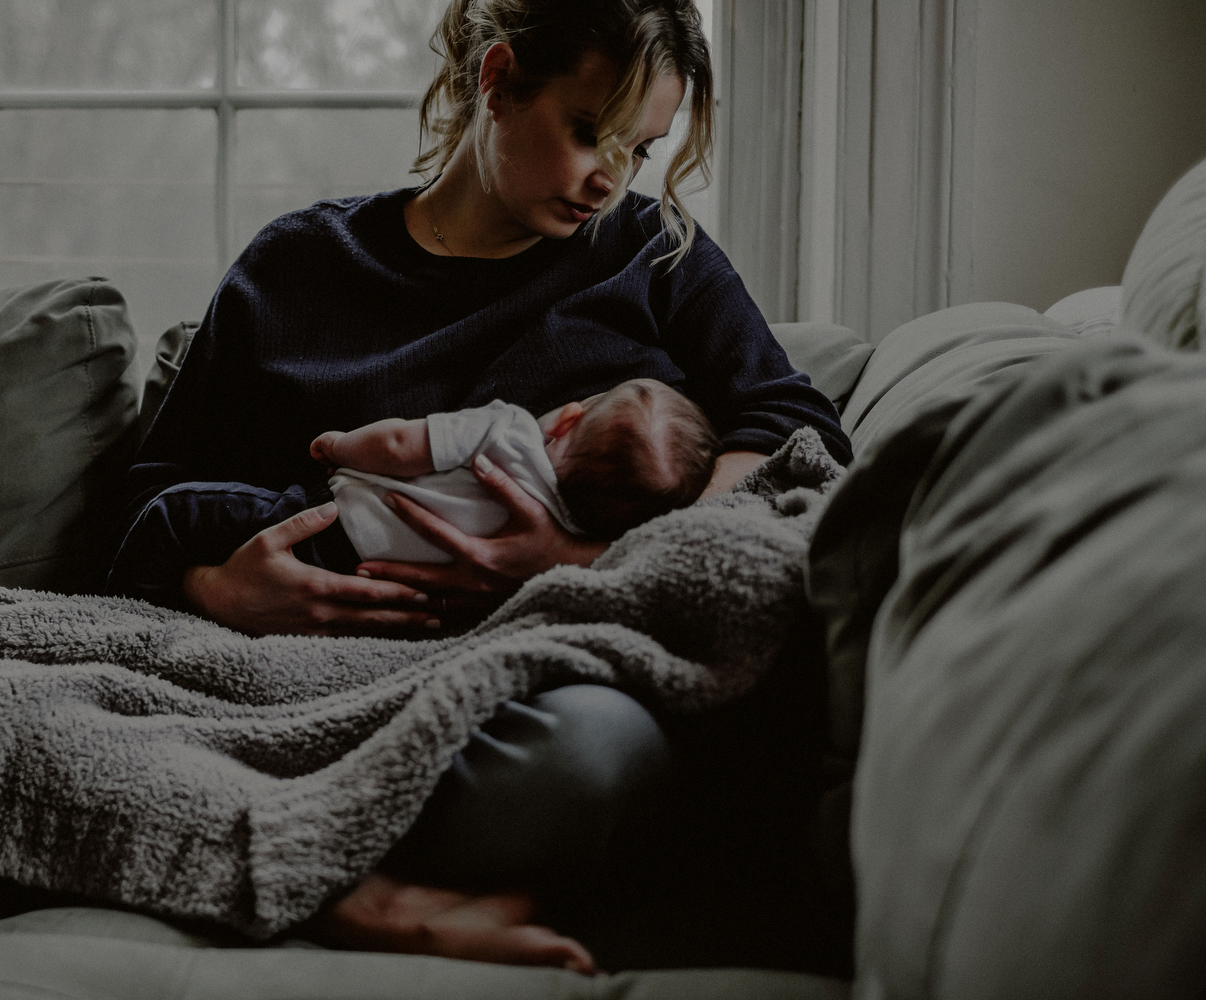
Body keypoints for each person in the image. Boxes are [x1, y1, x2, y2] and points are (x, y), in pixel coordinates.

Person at [116, 0, 852, 972]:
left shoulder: (654, 253)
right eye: (590, 132)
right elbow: (151, 494)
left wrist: (596, 563)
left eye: (640, 147)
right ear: (499, 82)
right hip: (308, 674)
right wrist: (222, 589)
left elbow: (790, 423)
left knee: (603, 750)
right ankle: (347, 881)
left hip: (539, 677)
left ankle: (311, 877)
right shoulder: (296, 266)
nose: (611, 177)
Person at [107, 379, 718, 597]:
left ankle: (127, 607)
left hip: (328, 525)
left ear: (566, 418)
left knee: (175, 513)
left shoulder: (507, 430)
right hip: (378, 586)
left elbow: (402, 446)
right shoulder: (581, 535)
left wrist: (339, 445)